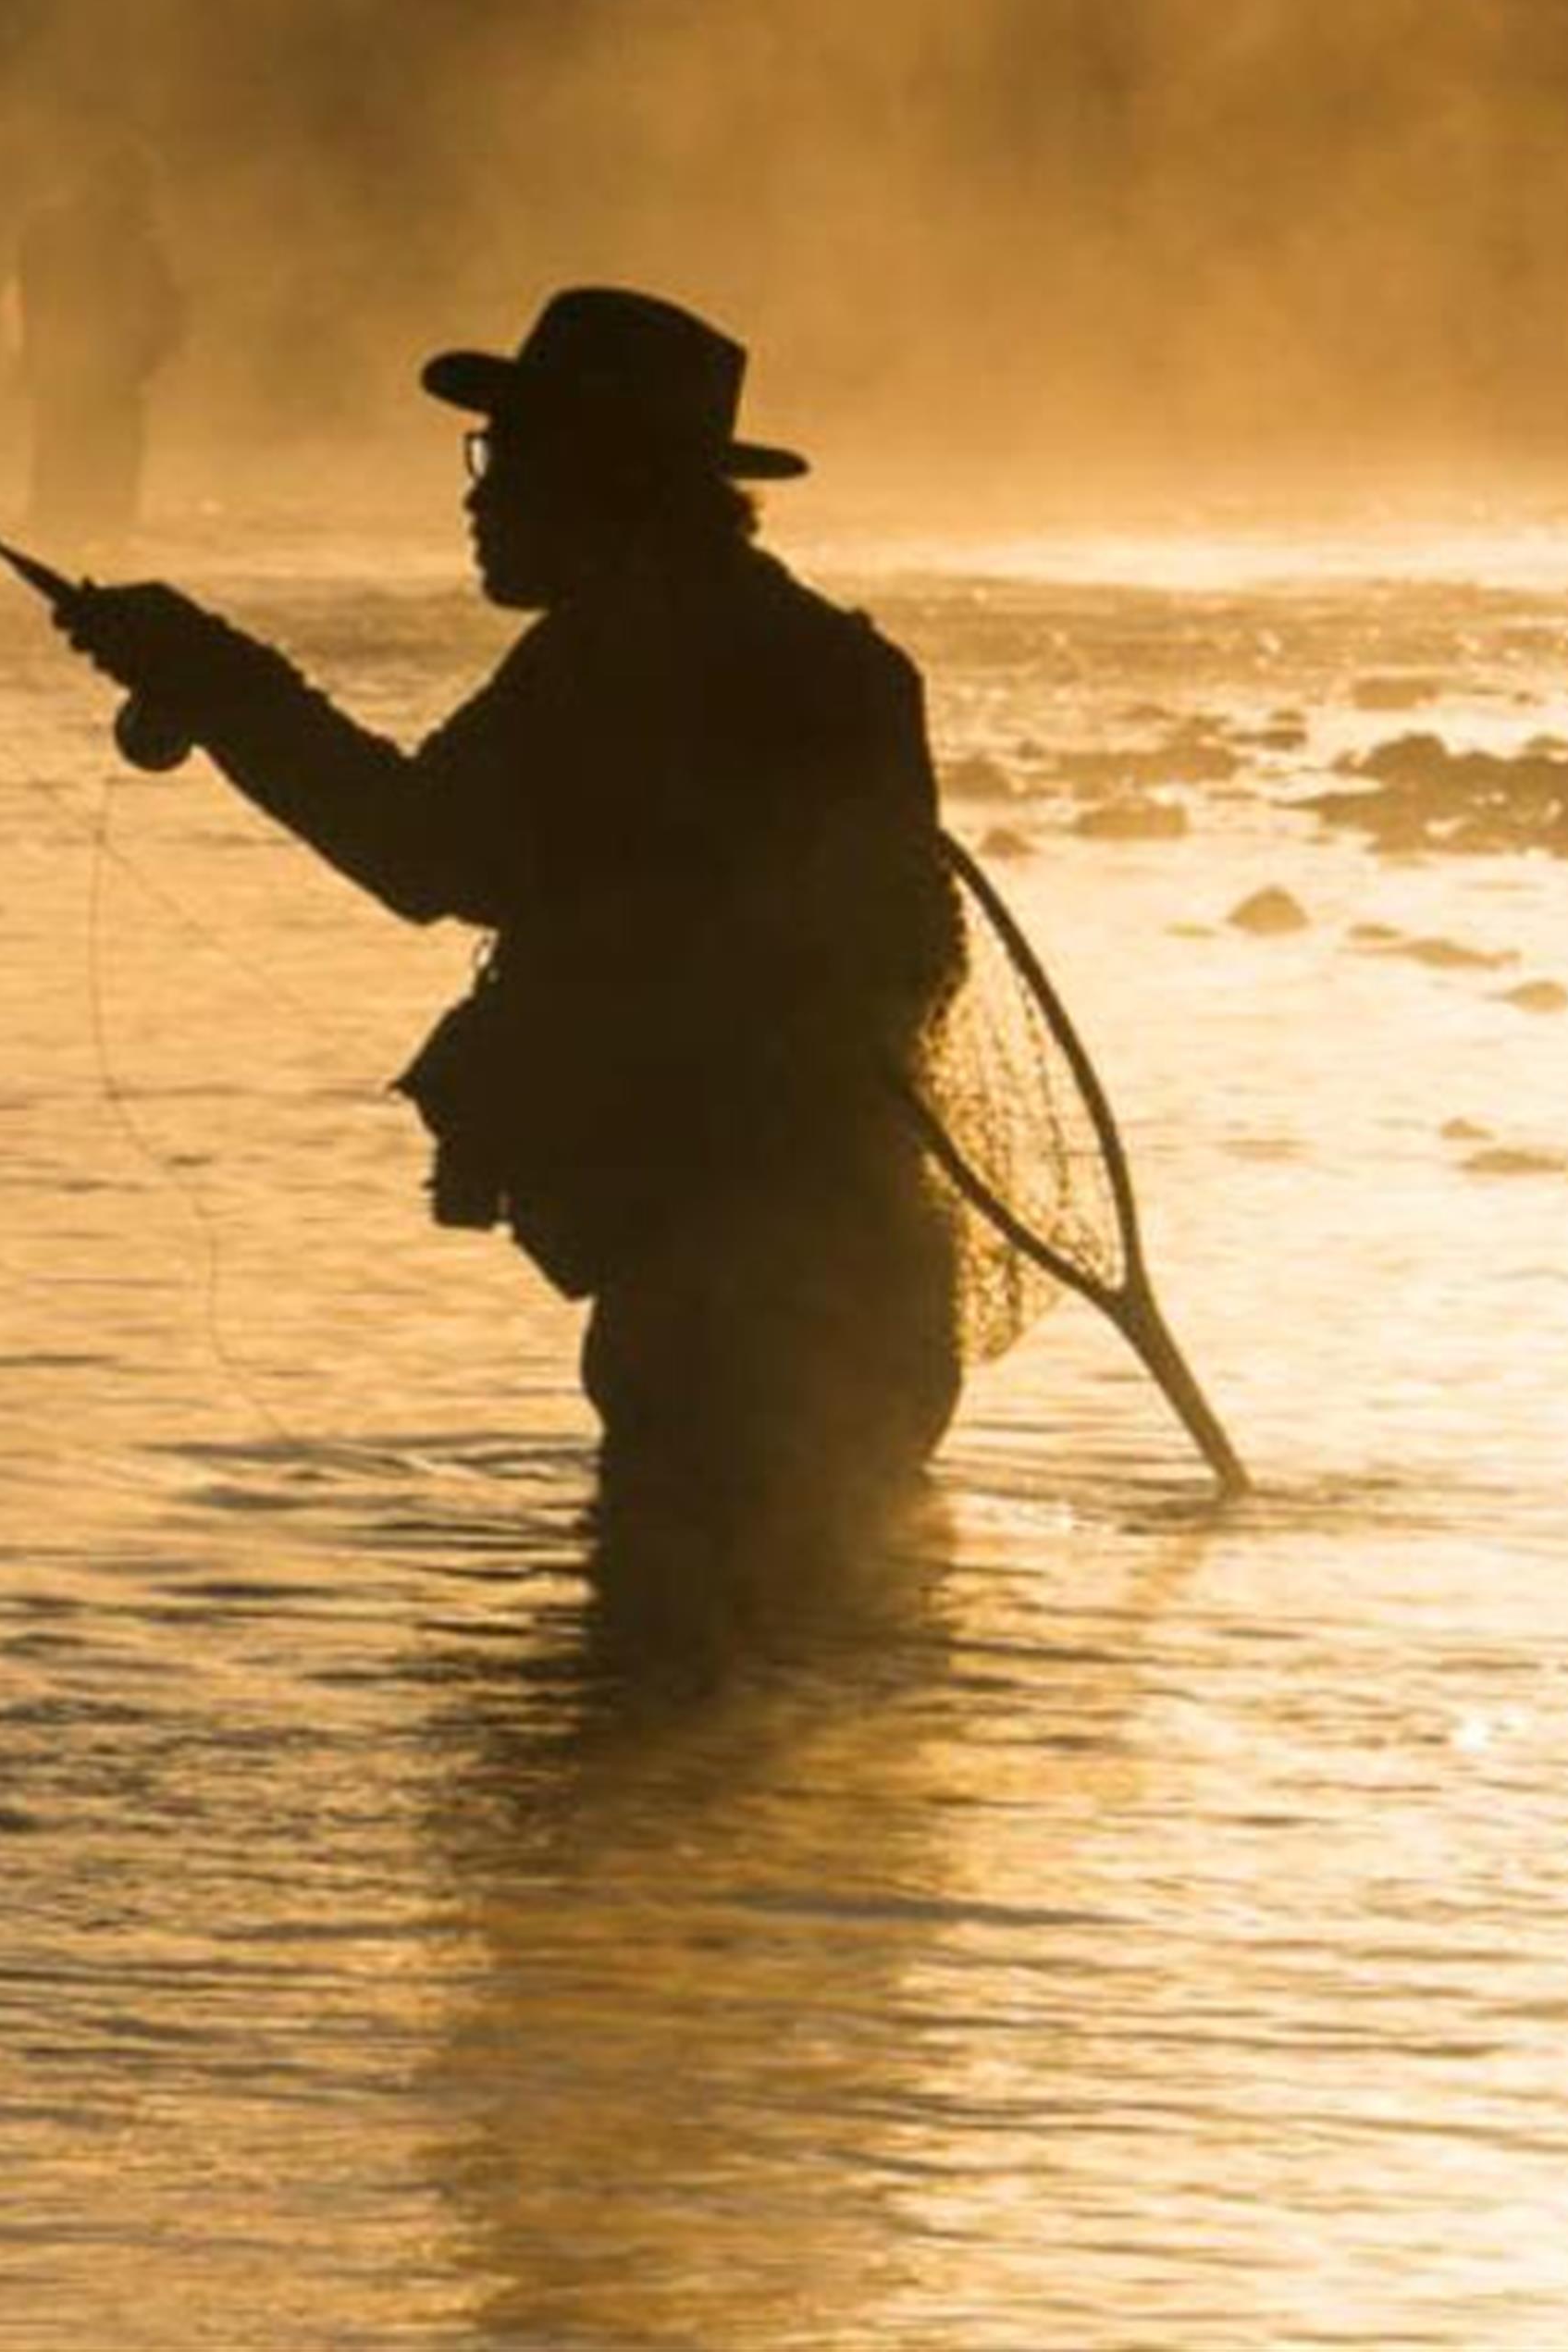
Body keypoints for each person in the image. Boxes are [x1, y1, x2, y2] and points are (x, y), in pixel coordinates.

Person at [58, 285, 967, 1635]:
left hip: (724, 1313)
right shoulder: (834, 662)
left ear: (603, 479)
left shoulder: (620, 661)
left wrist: (221, 677)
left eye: (507, 461)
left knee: (651, 1738)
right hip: (868, 1291)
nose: (478, 499)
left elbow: (423, 854)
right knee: (802, 1720)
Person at [7, 138, 185, 551]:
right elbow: (163, 302)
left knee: (72, 460)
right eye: (139, 188)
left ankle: (72, 539)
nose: (145, 199)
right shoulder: (126, 233)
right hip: (94, 369)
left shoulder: (52, 227)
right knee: (94, 460)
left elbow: (34, 298)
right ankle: (86, 540)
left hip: (87, 368)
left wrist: (32, 357)